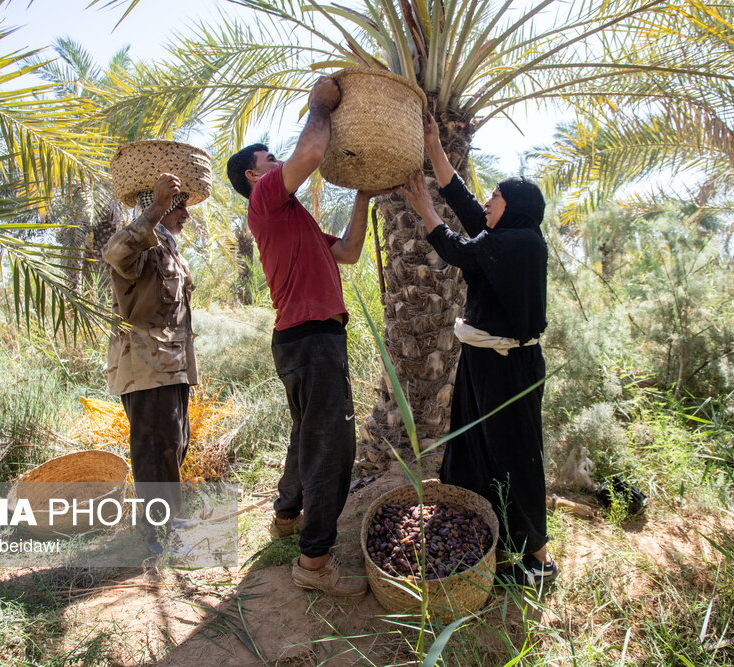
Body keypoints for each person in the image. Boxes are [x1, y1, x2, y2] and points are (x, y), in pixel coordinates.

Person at [226, 76, 384, 598]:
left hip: (303, 340)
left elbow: (349, 254)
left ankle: (286, 516)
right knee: (331, 448)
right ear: (255, 174)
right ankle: (314, 563)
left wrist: (363, 197)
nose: (279, 162)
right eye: (271, 158)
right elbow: (313, 149)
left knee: (306, 434)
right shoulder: (268, 197)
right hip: (313, 341)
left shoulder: (294, 216)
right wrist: (318, 104)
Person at [399, 112, 556, 586]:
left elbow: (460, 249)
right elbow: (468, 210)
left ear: (515, 207)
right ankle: (481, 531)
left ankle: (539, 560)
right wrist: (433, 146)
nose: (488, 201)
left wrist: (424, 207)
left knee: (515, 453)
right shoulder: (505, 237)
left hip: (508, 366)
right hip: (483, 361)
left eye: (496, 196)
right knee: (471, 443)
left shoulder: (522, 244)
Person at [103, 172, 199, 555]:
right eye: (179, 207)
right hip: (145, 367)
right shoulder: (138, 248)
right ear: (155, 206)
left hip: (171, 366)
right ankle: (155, 536)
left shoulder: (170, 248)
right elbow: (116, 252)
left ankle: (168, 520)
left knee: (174, 444)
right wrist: (158, 207)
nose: (185, 215)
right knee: (155, 448)